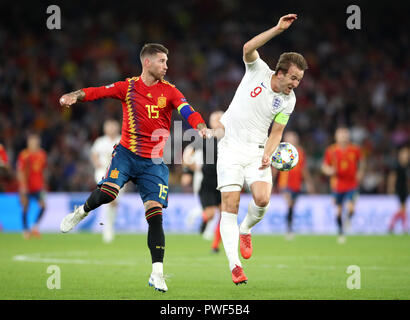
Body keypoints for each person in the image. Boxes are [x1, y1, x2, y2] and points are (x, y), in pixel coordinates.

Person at [59, 43, 211, 292]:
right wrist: (75, 95)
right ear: (147, 62)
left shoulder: (170, 91)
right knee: (108, 194)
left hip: (154, 163)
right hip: (126, 155)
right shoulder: (127, 87)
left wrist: (201, 126)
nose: (166, 66)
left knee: (155, 216)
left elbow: (188, 111)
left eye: (167, 61)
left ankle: (157, 273)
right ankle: (82, 211)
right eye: (162, 61)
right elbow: (97, 92)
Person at [216, 14, 308, 285]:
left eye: (299, 80)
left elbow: (277, 132)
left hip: (257, 150)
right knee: (229, 205)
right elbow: (247, 48)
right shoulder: (257, 70)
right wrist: (278, 29)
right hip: (230, 148)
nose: (295, 84)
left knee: (263, 199)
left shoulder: (288, 101)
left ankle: (246, 229)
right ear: (280, 73)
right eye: (293, 77)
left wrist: (269, 152)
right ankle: (234, 266)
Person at [321, 127, 365, 244]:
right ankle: (341, 231)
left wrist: (360, 173)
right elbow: (324, 167)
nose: (343, 137)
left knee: (351, 208)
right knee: (339, 211)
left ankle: (348, 220)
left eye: (345, 134)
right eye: (340, 134)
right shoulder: (331, 150)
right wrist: (329, 171)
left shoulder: (355, 149)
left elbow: (361, 162)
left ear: (348, 136)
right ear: (336, 137)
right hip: (338, 184)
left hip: (352, 184)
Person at [275, 131, 314, 240]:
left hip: (296, 184)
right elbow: (275, 168)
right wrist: (271, 182)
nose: (292, 139)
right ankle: (289, 229)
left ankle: (289, 226)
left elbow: (303, 169)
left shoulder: (300, 152)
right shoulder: (281, 150)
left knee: (292, 206)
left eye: (294, 137)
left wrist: (309, 183)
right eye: (290, 137)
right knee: (290, 204)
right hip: (284, 184)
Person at [90, 119, 121, 243]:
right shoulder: (100, 142)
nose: (111, 129)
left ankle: (109, 227)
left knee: (114, 203)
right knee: (109, 197)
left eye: (113, 126)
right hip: (102, 172)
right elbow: (94, 154)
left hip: (118, 174)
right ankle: (107, 230)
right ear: (105, 128)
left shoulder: (122, 140)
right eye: (109, 126)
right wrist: (96, 162)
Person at [197, 111, 224, 253]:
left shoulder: (231, 137)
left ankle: (215, 245)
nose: (220, 121)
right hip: (208, 180)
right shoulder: (204, 137)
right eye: (217, 119)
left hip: (225, 179)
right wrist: (188, 170)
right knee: (211, 214)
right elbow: (189, 151)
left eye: (222, 118)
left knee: (224, 213)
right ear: (211, 123)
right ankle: (203, 220)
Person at [16, 134, 47, 239]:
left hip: (38, 186)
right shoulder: (24, 155)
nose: (34, 144)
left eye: (36, 142)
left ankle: (35, 227)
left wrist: (44, 184)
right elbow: (20, 171)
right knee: (25, 207)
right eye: (32, 143)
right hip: (27, 187)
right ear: (28, 143)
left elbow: (42, 170)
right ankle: (25, 230)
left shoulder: (42, 154)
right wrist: (23, 185)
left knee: (43, 206)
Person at [387, 146, 409, 234]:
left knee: (403, 209)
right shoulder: (397, 165)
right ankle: (396, 226)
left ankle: (396, 226)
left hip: (405, 189)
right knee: (403, 209)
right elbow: (392, 176)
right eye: (404, 154)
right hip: (399, 189)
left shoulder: (407, 166)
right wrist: (391, 187)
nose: (406, 155)